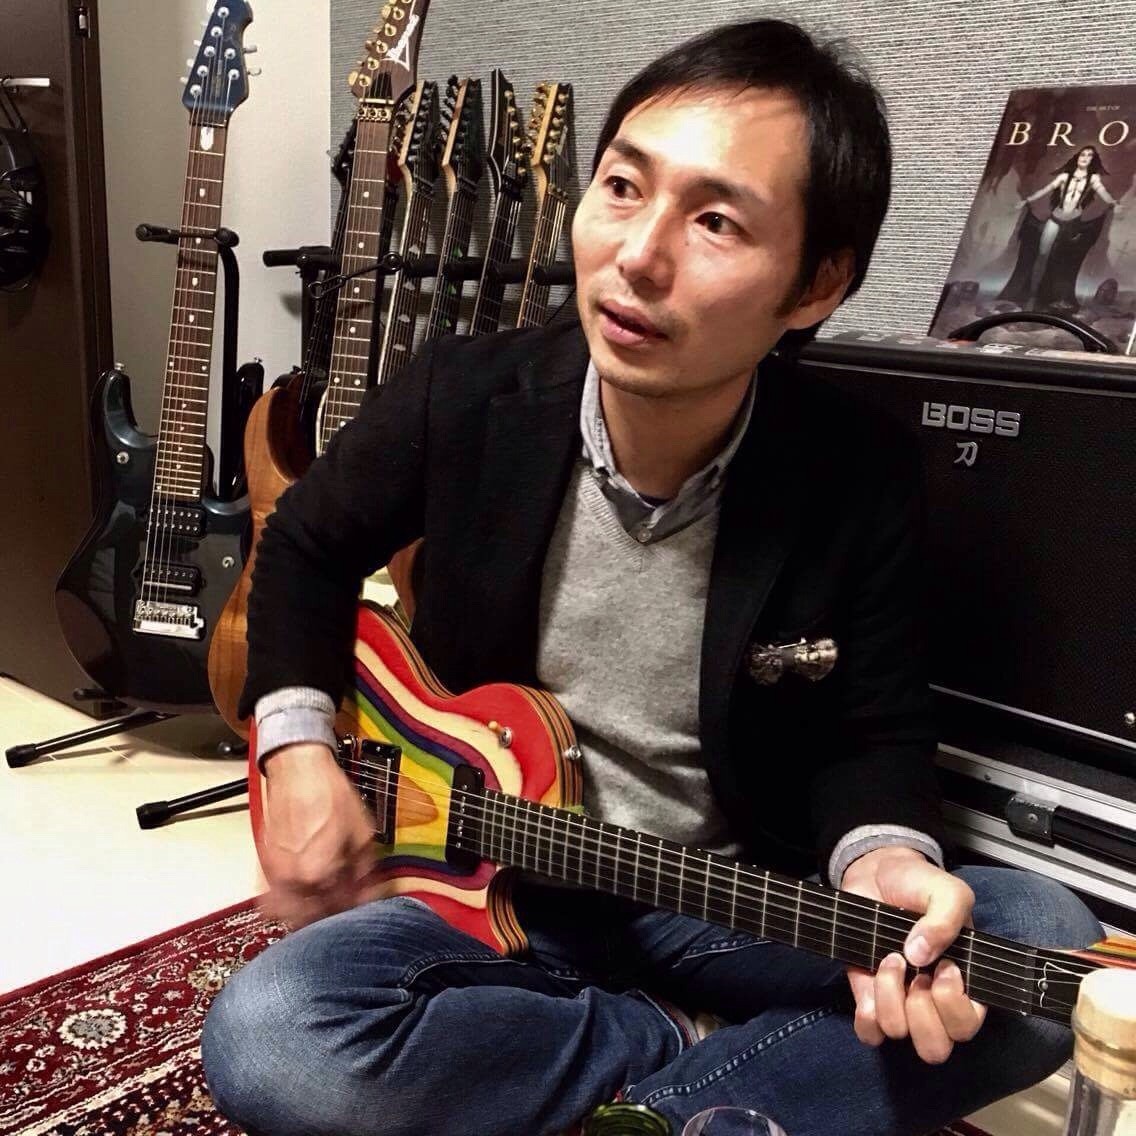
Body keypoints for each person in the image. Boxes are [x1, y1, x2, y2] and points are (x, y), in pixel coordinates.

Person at [201, 19, 1103, 1136]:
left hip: (725, 893)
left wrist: (880, 860)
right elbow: (303, 544)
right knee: (272, 1033)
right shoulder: (466, 392)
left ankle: (654, 1112)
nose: (637, 256)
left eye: (715, 220)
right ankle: (673, 1048)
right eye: (623, 188)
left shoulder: (855, 468)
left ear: (816, 283)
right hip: (491, 875)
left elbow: (872, 728)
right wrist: (293, 745)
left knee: (1044, 948)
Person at [998, 144, 1124, 312]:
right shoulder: (1065, 176)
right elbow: (1046, 189)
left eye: (1089, 156)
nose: (1085, 158)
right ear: (1077, 157)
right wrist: (1027, 200)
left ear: (1092, 160)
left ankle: (1053, 296)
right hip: (1056, 218)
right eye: (1083, 154)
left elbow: (1103, 194)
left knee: (1062, 258)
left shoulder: (1093, 178)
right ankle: (1032, 292)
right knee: (1043, 253)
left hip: (1073, 222)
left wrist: (1113, 203)